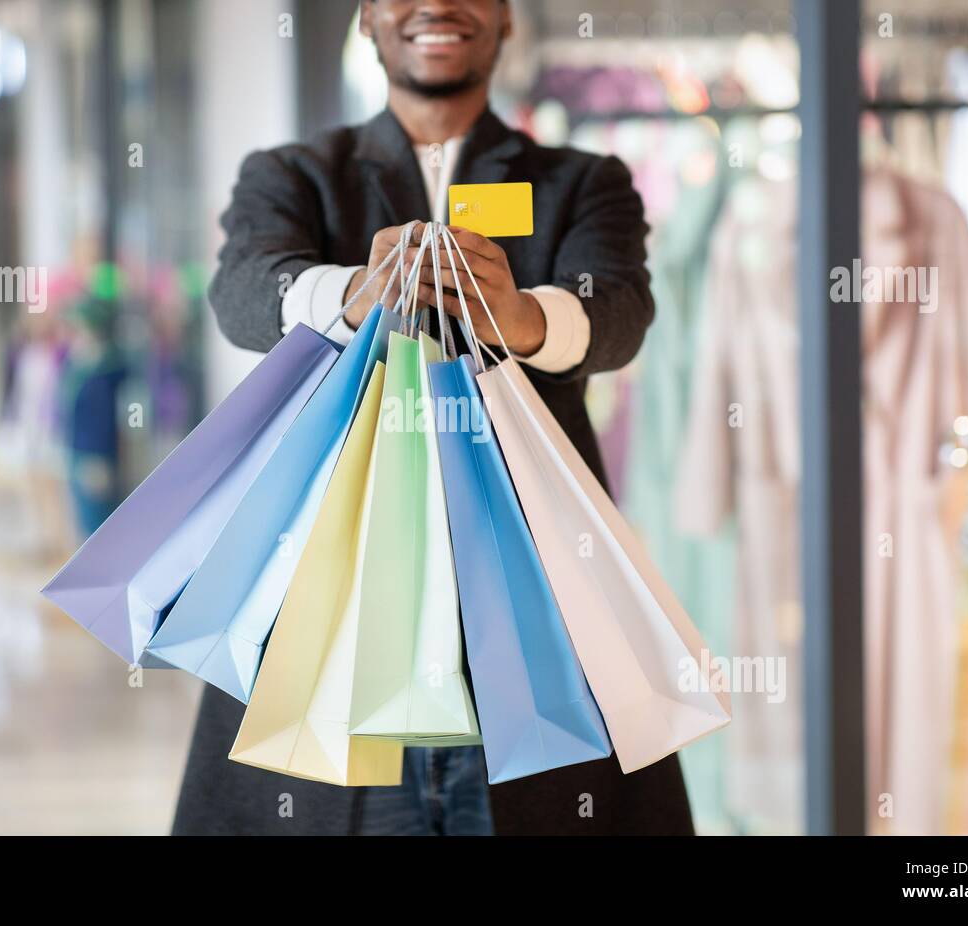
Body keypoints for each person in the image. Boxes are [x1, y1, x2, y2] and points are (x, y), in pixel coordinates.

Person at [173, 0, 692, 835]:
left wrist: (517, 316)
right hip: (332, 611)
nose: (437, 5)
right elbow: (243, 294)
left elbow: (620, 313)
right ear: (369, 18)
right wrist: (350, 295)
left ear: (508, 19)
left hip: (536, 617)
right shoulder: (298, 174)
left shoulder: (581, 181)